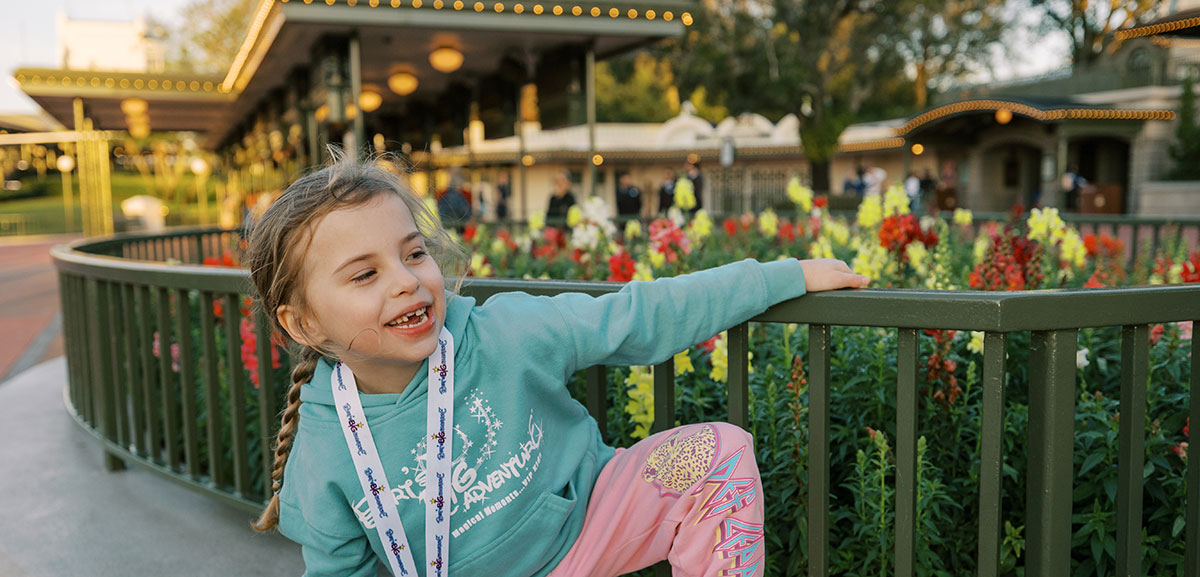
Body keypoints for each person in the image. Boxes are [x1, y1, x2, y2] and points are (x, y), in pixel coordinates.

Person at [245, 152, 870, 577]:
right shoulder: (324, 449)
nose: (407, 282)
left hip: (589, 522)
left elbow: (639, 314)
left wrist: (780, 276)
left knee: (720, 454)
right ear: (302, 324)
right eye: (364, 274)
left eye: (413, 254)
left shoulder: (508, 331)